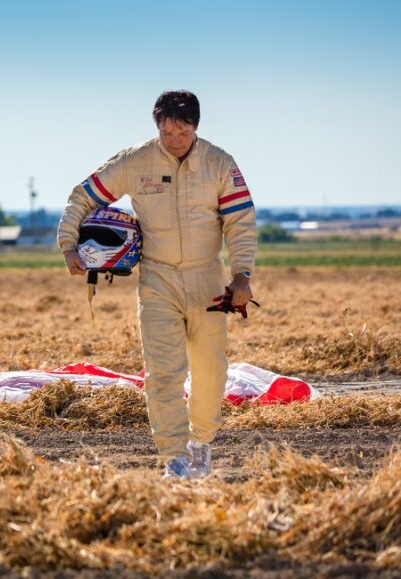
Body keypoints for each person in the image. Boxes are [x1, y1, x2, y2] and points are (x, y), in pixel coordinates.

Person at [56, 90, 257, 480]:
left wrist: (242, 274)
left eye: (181, 133)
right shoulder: (135, 161)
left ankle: (201, 443)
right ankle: (175, 458)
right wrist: (68, 246)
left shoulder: (220, 163)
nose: (173, 140)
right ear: (157, 127)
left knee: (210, 368)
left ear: (196, 128)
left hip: (209, 280)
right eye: (166, 132)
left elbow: (240, 222)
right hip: (157, 278)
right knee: (162, 372)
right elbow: (82, 196)